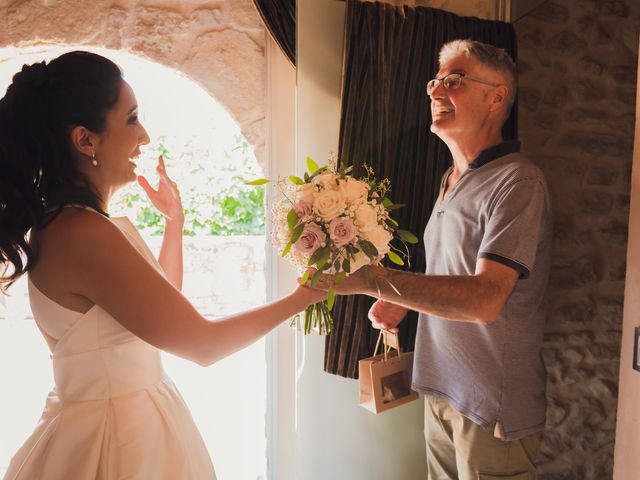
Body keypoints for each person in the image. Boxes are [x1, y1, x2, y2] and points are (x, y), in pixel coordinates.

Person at [0, 51, 324, 480]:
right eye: (132, 119)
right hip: (116, 441)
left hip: (129, 419)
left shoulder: (77, 224)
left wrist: (175, 224)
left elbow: (158, 312)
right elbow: (202, 345)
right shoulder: (81, 233)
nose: (145, 137)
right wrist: (308, 294)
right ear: (85, 140)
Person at [315, 39, 552, 479]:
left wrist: (374, 280)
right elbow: (453, 272)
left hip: (489, 410)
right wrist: (406, 300)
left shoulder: (519, 182)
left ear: (496, 96)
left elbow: (484, 300)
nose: (436, 92)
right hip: (440, 392)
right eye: (435, 82)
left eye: (455, 81)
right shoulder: (451, 179)